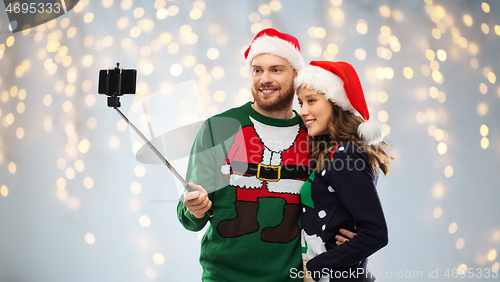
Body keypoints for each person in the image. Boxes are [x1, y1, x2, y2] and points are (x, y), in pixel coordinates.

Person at [177, 28, 311, 281]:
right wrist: (194, 208)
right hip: (223, 277)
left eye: (276, 69)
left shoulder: (314, 134)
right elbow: (189, 218)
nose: (265, 79)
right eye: (257, 70)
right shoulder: (219, 128)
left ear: (296, 76)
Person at [295, 61, 393, 281]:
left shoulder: (345, 155)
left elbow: (375, 234)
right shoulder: (331, 153)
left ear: (335, 102)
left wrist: (315, 267)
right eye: (301, 102)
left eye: (311, 101)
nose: (303, 111)